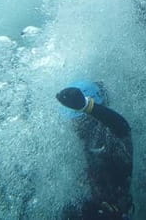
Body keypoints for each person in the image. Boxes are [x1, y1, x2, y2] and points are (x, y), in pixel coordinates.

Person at [57, 81, 133, 220]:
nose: (76, 127)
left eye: (80, 120)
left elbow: (122, 128)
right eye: (74, 122)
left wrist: (87, 106)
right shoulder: (85, 143)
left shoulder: (111, 139)